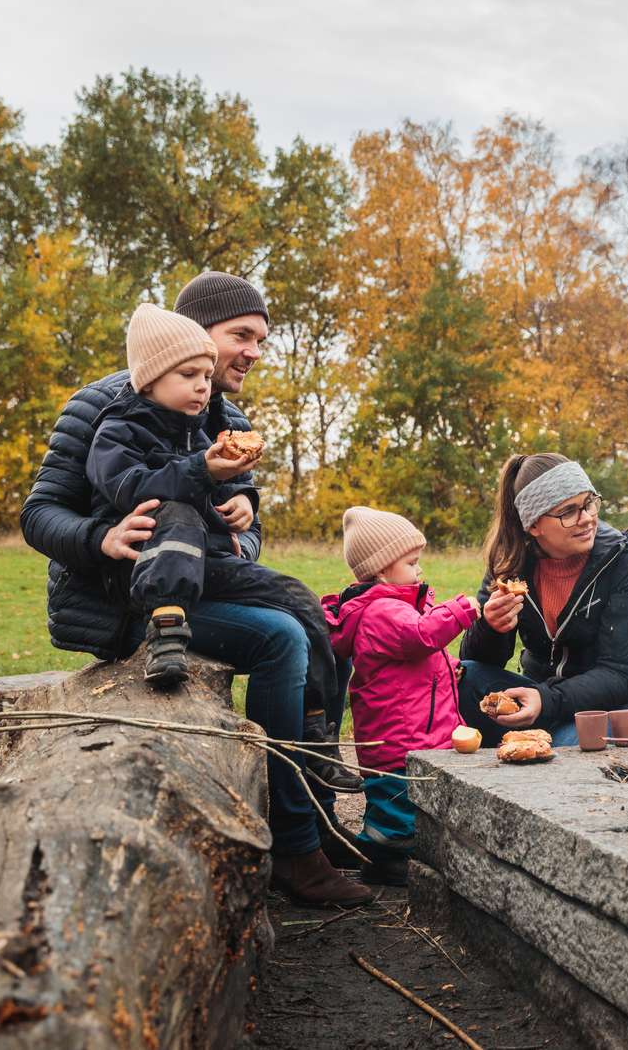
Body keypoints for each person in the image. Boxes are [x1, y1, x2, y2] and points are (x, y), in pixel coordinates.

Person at [20, 271, 370, 907]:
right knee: (281, 639)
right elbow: (39, 514)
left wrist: (242, 525)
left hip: (205, 579)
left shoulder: (224, 416)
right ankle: (293, 848)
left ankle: (316, 815)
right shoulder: (101, 406)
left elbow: (247, 520)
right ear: (191, 335)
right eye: (242, 336)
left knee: (318, 622)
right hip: (123, 597)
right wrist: (101, 536)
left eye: (261, 339)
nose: (253, 352)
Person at [457, 453, 628, 746]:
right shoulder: (510, 567)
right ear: (533, 525)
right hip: (547, 699)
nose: (587, 519)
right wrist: (490, 627)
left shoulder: (626, 568)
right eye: (568, 511)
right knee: (465, 679)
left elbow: (621, 675)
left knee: (560, 752)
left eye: (588, 503)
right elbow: (479, 660)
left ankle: (536, 744)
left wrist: (545, 699)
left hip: (627, 710)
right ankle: (531, 743)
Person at [321, 507, 478, 886]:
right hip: (399, 736)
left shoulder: (395, 609)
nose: (419, 570)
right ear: (381, 569)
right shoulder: (383, 611)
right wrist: (460, 610)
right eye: (412, 562)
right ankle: (384, 858)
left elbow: (413, 656)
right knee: (397, 803)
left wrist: (449, 664)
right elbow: (422, 636)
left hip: (405, 731)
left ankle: (390, 850)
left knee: (401, 800)